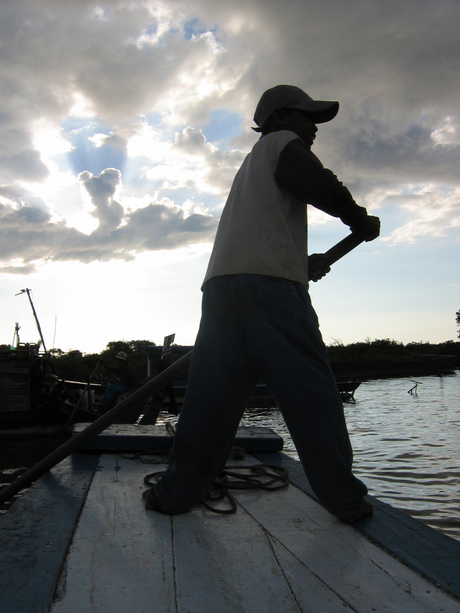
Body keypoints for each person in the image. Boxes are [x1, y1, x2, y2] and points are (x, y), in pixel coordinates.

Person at [144, 85, 380, 522]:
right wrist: (357, 217)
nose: (313, 128)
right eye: (306, 117)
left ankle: (174, 496)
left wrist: (304, 262)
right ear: (277, 118)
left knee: (210, 406)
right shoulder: (280, 144)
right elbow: (321, 186)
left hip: (222, 291)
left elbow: (264, 237)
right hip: (269, 292)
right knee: (314, 399)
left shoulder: (252, 167)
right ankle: (345, 501)